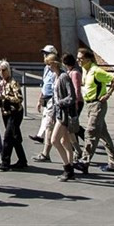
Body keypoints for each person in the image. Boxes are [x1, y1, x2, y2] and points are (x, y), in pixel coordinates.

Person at [74, 47, 114, 173]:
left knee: (90, 132)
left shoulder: (96, 71)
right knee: (103, 134)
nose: (78, 60)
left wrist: (108, 94)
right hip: (89, 104)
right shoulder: (85, 70)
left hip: (98, 104)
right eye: (77, 58)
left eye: (81, 58)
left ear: (88, 59)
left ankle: (84, 161)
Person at [0, 60, 27, 171]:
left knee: (8, 137)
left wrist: (5, 97)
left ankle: (5, 162)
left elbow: (19, 98)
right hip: (5, 113)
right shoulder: (0, 83)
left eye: (4, 70)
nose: (2, 72)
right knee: (15, 136)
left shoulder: (13, 83)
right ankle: (22, 160)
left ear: (8, 70)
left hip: (15, 113)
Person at [50, 53, 79, 181]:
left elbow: (72, 97)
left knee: (54, 140)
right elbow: (54, 96)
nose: (47, 67)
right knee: (65, 141)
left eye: (48, 64)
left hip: (64, 114)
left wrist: (59, 103)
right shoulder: (56, 77)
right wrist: (52, 113)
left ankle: (67, 167)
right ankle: (70, 169)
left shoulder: (63, 77)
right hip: (59, 113)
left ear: (54, 63)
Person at [31, 43, 58, 156]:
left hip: (53, 98)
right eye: (44, 54)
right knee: (47, 120)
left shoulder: (57, 70)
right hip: (46, 97)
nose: (44, 56)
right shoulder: (46, 68)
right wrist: (40, 99)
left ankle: (45, 152)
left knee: (49, 124)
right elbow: (44, 84)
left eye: (46, 54)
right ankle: (40, 136)